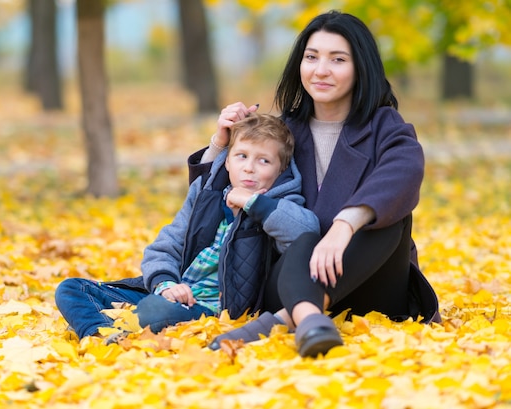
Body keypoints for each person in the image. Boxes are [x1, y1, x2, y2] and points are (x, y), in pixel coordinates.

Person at [187, 10, 440, 358]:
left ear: (360, 67)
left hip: (371, 284)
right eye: (311, 57)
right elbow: (205, 205)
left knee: (389, 222)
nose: (320, 70)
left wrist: (344, 226)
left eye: (337, 59)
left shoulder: (384, 126)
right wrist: (220, 143)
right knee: (304, 239)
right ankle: (307, 316)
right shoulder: (281, 133)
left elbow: (404, 171)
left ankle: (285, 321)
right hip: (291, 278)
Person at [54, 113, 320, 339]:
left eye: (263, 161)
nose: (249, 168)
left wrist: (254, 203)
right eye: (241, 156)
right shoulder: (208, 195)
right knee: (71, 288)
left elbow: (305, 233)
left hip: (210, 308)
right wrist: (166, 284)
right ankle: (100, 335)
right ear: (227, 161)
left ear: (280, 168)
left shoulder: (280, 204)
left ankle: (124, 324)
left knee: (154, 311)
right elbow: (165, 245)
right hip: (172, 293)